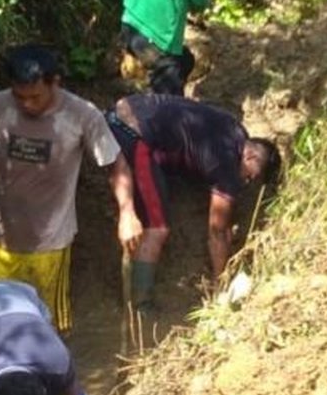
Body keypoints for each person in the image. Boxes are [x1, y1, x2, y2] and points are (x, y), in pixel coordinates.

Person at [0, 45, 140, 332]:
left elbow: (116, 164)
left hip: (48, 248)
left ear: (55, 82)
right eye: (19, 96)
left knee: (38, 330)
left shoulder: (82, 116)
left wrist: (127, 212)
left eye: (35, 96)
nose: (27, 105)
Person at [105, 94, 281, 310]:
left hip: (131, 108)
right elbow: (217, 230)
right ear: (251, 156)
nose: (245, 182)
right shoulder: (226, 164)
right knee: (157, 228)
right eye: (251, 176)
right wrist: (221, 283)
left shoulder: (235, 130)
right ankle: (140, 307)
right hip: (134, 132)